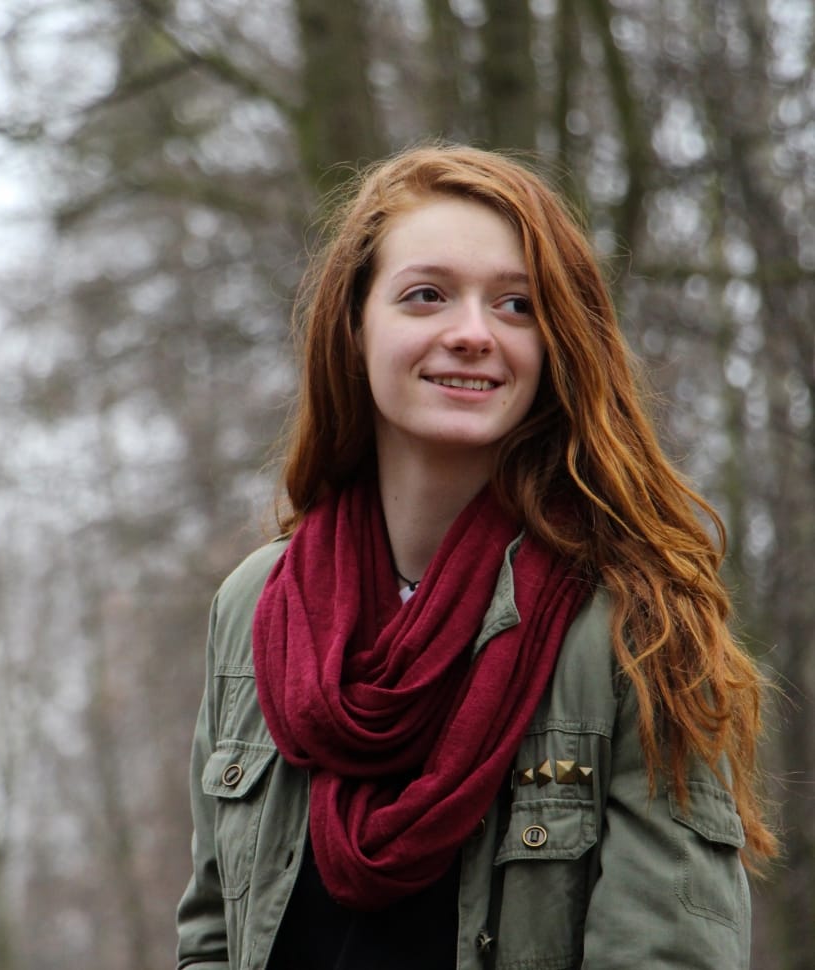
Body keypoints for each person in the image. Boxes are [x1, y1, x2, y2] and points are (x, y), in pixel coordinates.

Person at [175, 145, 777, 970]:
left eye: (516, 305)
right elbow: (211, 937)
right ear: (354, 328)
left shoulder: (639, 624)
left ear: (557, 341)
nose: (470, 333)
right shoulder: (255, 607)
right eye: (426, 296)